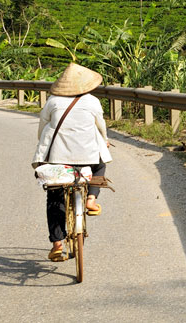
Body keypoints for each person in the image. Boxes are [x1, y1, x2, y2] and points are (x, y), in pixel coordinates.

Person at [31, 62, 112, 262]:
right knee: (101, 163)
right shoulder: (92, 101)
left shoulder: (53, 101)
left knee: (55, 196)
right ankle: (91, 199)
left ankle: (57, 244)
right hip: (89, 156)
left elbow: (42, 129)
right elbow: (101, 127)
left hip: (58, 158)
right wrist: (105, 140)